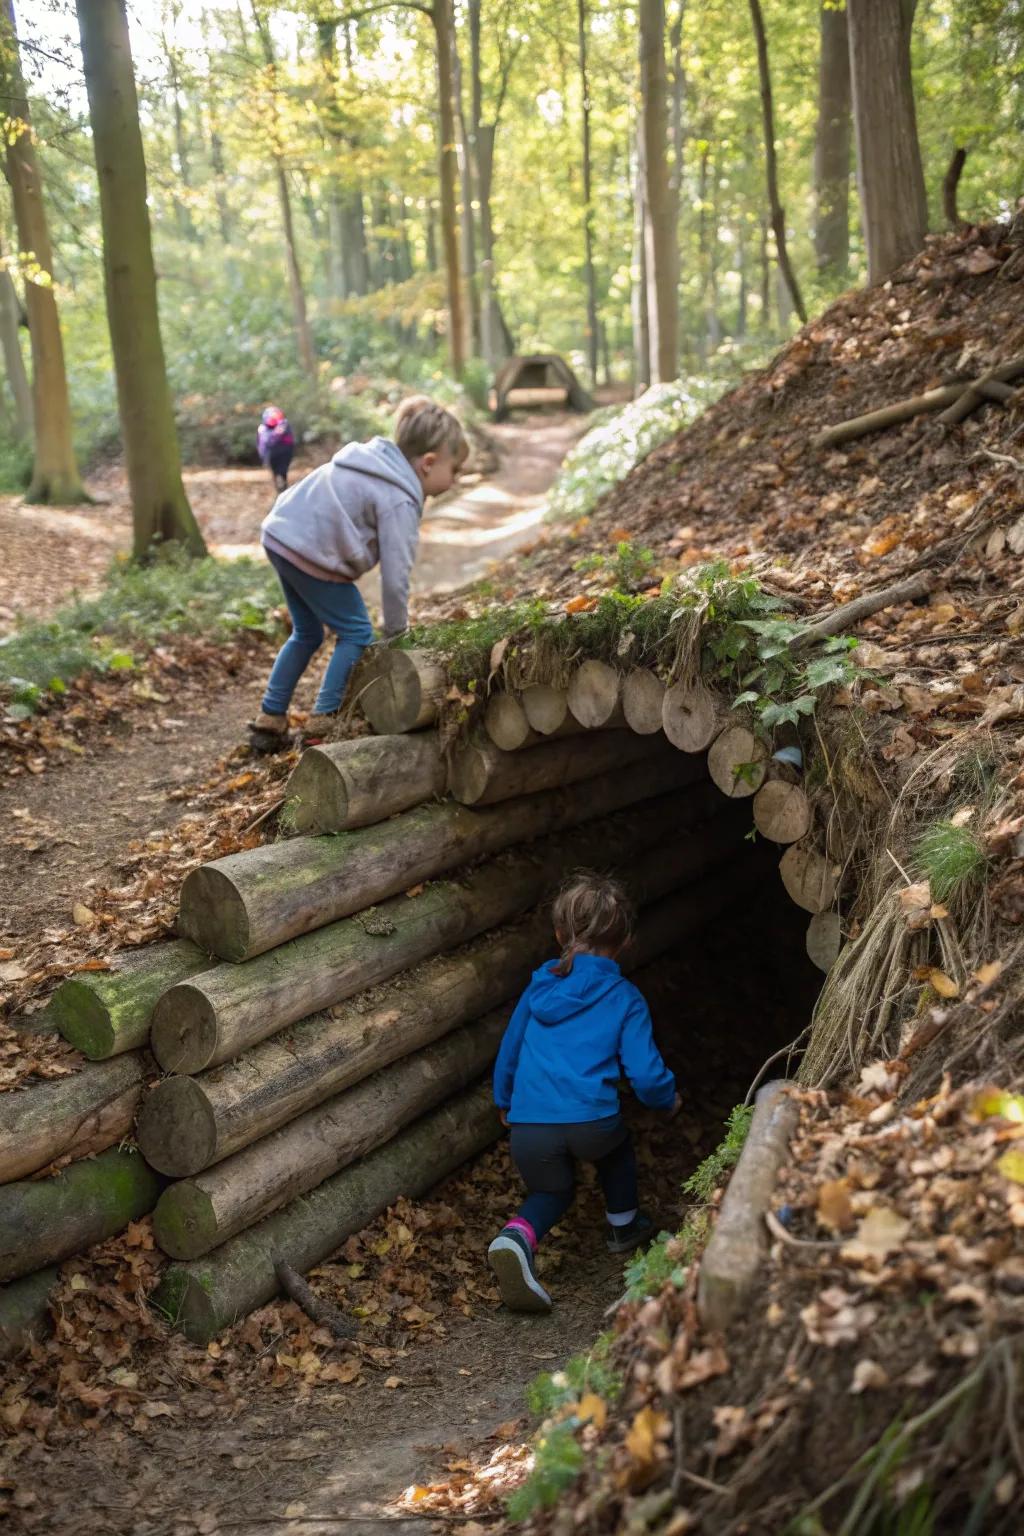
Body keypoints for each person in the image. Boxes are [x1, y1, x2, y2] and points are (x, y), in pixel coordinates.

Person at [487, 871, 681, 1314]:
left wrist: (505, 1100)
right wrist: (667, 1100)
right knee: (616, 1152)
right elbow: (647, 1076)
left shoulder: (538, 991)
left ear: (559, 934)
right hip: (592, 1123)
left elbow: (510, 1050)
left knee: (551, 1192)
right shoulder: (624, 997)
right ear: (626, 940)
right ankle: (624, 1224)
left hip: (530, 1125)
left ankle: (515, 1237)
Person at [248, 396, 468, 752]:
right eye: (454, 470)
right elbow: (396, 578)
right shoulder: (399, 497)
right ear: (428, 463)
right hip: (308, 550)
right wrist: (397, 636)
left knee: (306, 633)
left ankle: (269, 719)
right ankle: (322, 723)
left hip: (280, 534)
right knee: (357, 631)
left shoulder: (371, 462)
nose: (455, 480)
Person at [257, 405, 295, 492]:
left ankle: (283, 488)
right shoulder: (263, 429)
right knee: (275, 472)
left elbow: (290, 441)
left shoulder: (284, 425)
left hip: (284, 453)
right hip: (271, 454)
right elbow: (262, 443)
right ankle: (279, 488)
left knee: (283, 472)